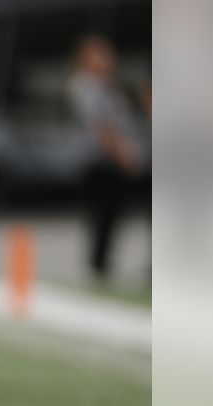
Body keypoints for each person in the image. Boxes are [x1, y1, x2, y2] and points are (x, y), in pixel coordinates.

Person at [67, 34, 146, 283]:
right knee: (102, 215)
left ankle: (104, 264)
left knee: (114, 215)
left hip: (113, 160)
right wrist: (124, 153)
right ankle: (99, 267)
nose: (106, 59)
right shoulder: (84, 86)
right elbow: (101, 127)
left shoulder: (108, 86)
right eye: (99, 54)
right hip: (99, 161)